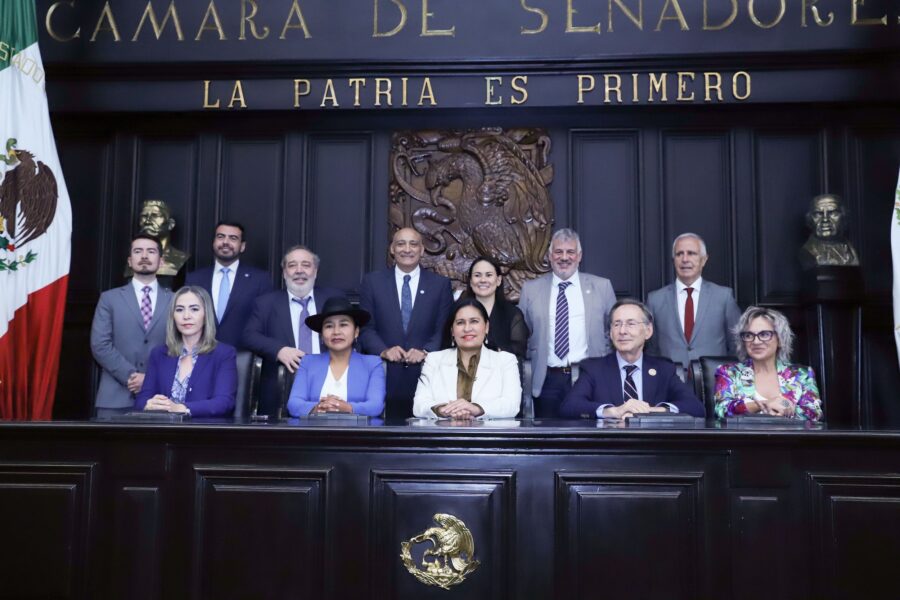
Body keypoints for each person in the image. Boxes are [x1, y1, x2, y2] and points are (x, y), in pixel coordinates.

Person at [518, 228, 616, 417]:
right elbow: (523, 333)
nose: (564, 257)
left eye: (570, 252)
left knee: (590, 433)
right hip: (547, 380)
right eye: (558, 252)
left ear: (579, 256)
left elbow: (613, 331)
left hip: (590, 377)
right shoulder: (531, 290)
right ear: (550, 256)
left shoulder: (602, 287)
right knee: (547, 433)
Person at [358, 227, 454, 419]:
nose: (407, 249)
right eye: (401, 244)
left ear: (422, 250)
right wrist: (384, 350)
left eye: (413, 244)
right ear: (392, 249)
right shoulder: (372, 282)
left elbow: (444, 328)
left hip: (427, 376)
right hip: (383, 376)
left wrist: (425, 351)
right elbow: (366, 328)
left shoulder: (440, 285)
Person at [560, 299, 705, 419]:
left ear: (648, 331)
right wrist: (614, 411)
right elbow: (569, 406)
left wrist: (651, 411)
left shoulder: (664, 369)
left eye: (631, 324)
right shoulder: (594, 369)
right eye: (617, 324)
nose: (622, 331)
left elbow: (695, 407)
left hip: (654, 443)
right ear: (611, 333)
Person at [243, 245, 341, 416]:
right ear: (284, 272)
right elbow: (249, 335)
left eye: (306, 265)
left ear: (315, 271)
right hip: (282, 388)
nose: (299, 270)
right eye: (292, 265)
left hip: (330, 386)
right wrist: (279, 350)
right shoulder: (266, 303)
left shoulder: (333, 299)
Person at [91, 234, 174, 410]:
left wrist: (150, 379)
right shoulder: (109, 298)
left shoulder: (175, 300)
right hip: (114, 398)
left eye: (151, 251)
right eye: (138, 251)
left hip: (162, 398)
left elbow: (181, 345)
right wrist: (130, 376)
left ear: (161, 261)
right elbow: (100, 344)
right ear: (130, 261)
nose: (144, 256)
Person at [135, 286, 237, 416]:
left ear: (206, 314)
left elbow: (224, 402)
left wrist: (181, 408)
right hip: (163, 427)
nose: (186, 316)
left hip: (204, 427)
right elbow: (141, 400)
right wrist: (149, 404)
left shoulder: (224, 354)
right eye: (179, 310)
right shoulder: (159, 354)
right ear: (173, 316)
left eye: (194, 309)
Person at [413, 298, 521, 419]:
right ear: (452, 330)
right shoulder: (434, 360)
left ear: (486, 327)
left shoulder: (506, 361)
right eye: (460, 322)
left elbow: (511, 405)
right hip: (443, 429)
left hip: (489, 430)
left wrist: (476, 408)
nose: (467, 328)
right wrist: (442, 409)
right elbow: (419, 405)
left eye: (474, 321)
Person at [646, 233, 741, 367]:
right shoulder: (655, 300)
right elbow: (651, 349)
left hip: (713, 377)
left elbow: (736, 344)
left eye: (691, 253)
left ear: (704, 260)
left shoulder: (723, 297)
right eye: (679, 254)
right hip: (670, 376)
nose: (685, 259)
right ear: (673, 260)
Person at [713, 306, 822, 421]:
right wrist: (765, 404)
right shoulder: (729, 372)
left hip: (789, 433)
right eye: (749, 335)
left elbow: (814, 413)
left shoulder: (802, 374)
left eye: (764, 334)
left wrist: (784, 405)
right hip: (745, 433)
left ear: (780, 339)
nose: (756, 341)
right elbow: (722, 410)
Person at [286, 296, 385, 417]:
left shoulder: (372, 364)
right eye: (329, 326)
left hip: (358, 429)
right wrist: (318, 407)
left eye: (343, 324)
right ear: (322, 335)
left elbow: (375, 406)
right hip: (314, 428)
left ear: (356, 332)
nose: (336, 332)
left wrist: (347, 408)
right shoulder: (308, 362)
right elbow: (294, 404)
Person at [185, 221, 273, 349]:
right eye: (220, 237)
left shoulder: (259, 280)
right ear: (213, 242)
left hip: (243, 355)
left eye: (233, 238)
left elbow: (267, 322)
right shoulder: (194, 279)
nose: (225, 242)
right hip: (200, 353)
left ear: (242, 246)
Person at [455, 256, 529, 363]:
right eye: (477, 275)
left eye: (488, 275)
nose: (483, 280)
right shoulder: (457, 312)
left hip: (502, 371)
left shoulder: (513, 314)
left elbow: (518, 350)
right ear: (470, 281)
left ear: (498, 280)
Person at [129, 200, 189, 276]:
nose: (147, 221)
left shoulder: (180, 258)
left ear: (170, 224)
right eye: (144, 216)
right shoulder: (133, 260)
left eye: (155, 216)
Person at [799, 194, 860, 267]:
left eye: (833, 213)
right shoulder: (807, 253)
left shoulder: (852, 249)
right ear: (809, 219)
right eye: (818, 214)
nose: (825, 219)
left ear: (844, 217)